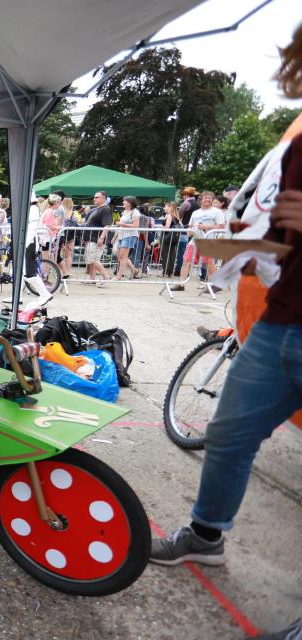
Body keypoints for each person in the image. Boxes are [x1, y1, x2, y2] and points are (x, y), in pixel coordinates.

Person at [151, 23, 302, 636]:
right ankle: (205, 535)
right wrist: (244, 246)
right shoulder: (296, 149)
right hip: (284, 319)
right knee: (229, 435)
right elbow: (288, 245)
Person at [169, 191, 225, 292]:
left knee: (208, 263)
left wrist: (207, 227)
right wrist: (189, 232)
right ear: (201, 200)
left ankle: (217, 284)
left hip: (208, 240)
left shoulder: (217, 212)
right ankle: (181, 284)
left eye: (209, 198)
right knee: (186, 261)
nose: (207, 200)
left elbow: (221, 226)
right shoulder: (196, 212)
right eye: (205, 198)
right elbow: (191, 225)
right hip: (194, 240)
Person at [82, 191, 114, 287]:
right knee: (90, 260)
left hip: (96, 238)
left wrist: (101, 237)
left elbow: (107, 224)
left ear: (104, 198)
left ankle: (106, 277)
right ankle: (92, 279)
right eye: (94, 197)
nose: (94, 199)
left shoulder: (106, 209)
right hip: (90, 238)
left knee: (94, 259)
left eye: (97, 197)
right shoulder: (96, 209)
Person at [112, 196, 142, 279]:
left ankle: (119, 276)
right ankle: (134, 270)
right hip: (121, 235)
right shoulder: (124, 211)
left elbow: (136, 226)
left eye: (124, 201)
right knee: (119, 256)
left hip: (130, 235)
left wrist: (122, 224)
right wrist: (114, 237)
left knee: (123, 256)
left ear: (129, 203)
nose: (123, 203)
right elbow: (120, 225)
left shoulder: (135, 212)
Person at [174, 186, 199, 276]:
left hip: (184, 229)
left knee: (182, 251)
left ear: (186, 195)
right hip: (193, 230)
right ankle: (186, 271)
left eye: (184, 194)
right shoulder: (197, 204)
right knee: (188, 252)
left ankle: (179, 270)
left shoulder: (186, 204)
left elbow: (178, 215)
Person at [159, 201, 184, 277]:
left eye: (165, 206)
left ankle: (165, 272)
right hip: (174, 238)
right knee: (172, 254)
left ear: (170, 207)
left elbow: (167, 228)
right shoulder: (176, 216)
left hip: (167, 237)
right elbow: (181, 225)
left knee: (165, 254)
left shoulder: (169, 216)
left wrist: (161, 227)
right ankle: (170, 273)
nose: (164, 208)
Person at [58, 197, 79, 278]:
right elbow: (77, 223)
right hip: (70, 236)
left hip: (61, 235)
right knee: (68, 255)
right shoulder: (73, 213)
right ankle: (67, 271)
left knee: (58, 255)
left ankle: (63, 271)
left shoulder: (61, 212)